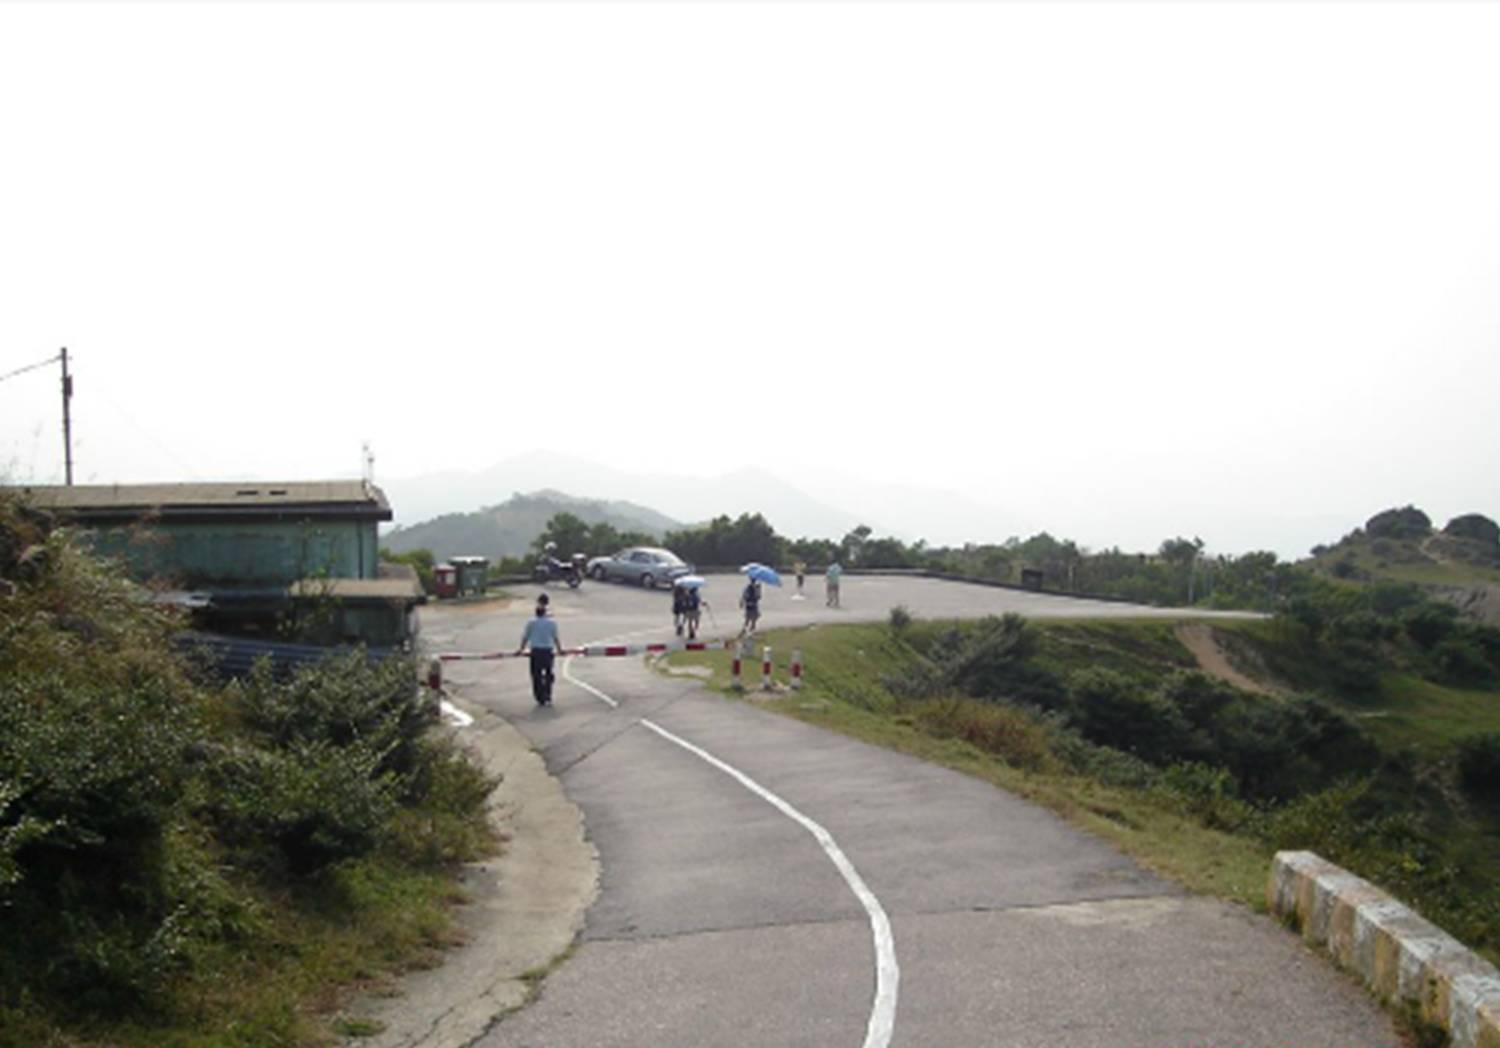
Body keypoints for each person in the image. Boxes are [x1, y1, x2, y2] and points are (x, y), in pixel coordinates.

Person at [515, 593, 563, 706]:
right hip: (547, 651)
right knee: (548, 673)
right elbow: (555, 638)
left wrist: (521, 649)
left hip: (536, 652)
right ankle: (548, 695)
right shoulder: (552, 623)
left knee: (536, 675)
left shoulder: (531, 623)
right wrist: (559, 649)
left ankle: (539, 696)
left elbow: (525, 637)